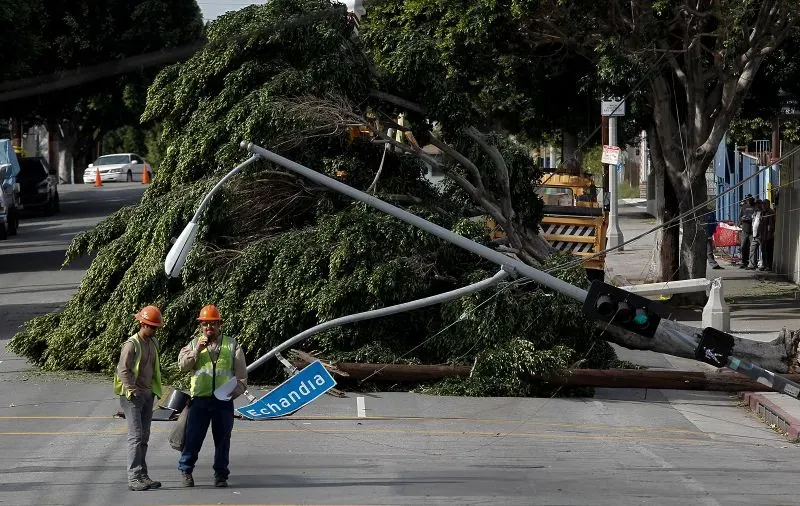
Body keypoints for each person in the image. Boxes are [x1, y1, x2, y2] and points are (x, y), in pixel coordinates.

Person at [178, 304, 247, 488]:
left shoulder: (232, 344)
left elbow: (241, 376)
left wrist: (235, 392)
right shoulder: (193, 344)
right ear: (200, 326)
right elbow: (183, 366)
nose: (209, 327)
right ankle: (186, 471)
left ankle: (221, 475)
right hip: (199, 401)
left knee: (223, 440)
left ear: (219, 324)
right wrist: (196, 352)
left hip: (223, 402)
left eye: (213, 323)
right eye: (205, 324)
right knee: (193, 439)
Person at [114, 305, 164, 491]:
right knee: (135, 437)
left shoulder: (153, 343)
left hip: (147, 394)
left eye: (156, 327)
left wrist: (151, 391)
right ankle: (134, 477)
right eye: (152, 326)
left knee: (144, 436)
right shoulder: (131, 344)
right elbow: (123, 369)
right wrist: (131, 388)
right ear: (142, 324)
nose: (154, 330)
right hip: (132, 396)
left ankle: (143, 475)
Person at [738, 195, 755, 268]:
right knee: (743, 246)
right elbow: (740, 217)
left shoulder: (754, 207)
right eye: (747, 199)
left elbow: (755, 217)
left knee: (752, 247)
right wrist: (741, 221)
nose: (749, 201)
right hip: (744, 229)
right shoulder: (743, 207)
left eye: (750, 199)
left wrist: (749, 218)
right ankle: (743, 261)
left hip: (752, 230)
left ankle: (752, 263)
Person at [760, 199, 776, 271]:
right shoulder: (762, 212)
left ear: (768, 204)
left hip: (768, 235)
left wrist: (771, 234)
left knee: (769, 251)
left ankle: (769, 266)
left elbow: (772, 225)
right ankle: (764, 264)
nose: (763, 206)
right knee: (763, 250)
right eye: (762, 204)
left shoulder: (771, 212)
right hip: (763, 235)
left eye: (764, 204)